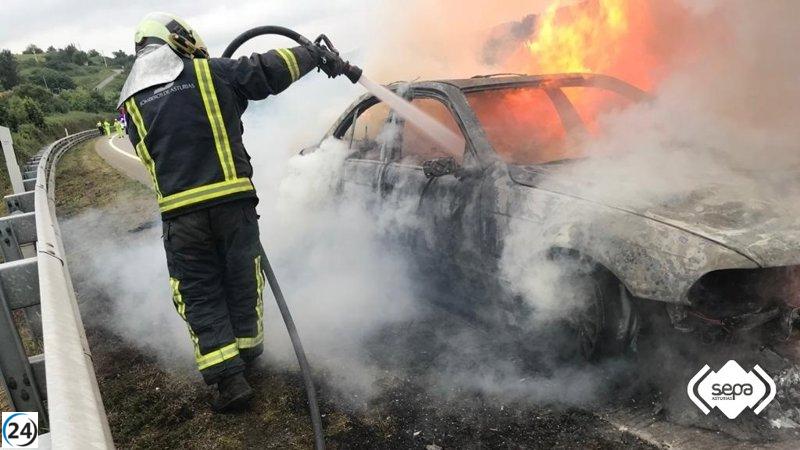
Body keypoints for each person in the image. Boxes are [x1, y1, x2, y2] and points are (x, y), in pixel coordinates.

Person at [117, 12, 350, 412]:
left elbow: (157, 147)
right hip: (233, 207)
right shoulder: (211, 74)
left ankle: (230, 383)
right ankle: (249, 359)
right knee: (243, 280)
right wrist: (314, 54)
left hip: (181, 217)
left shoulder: (131, 103)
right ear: (177, 40)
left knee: (198, 292)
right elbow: (267, 70)